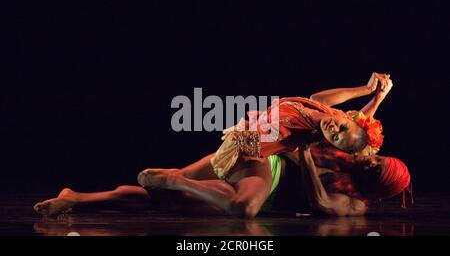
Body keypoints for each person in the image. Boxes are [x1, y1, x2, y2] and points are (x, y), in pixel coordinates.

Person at [34, 73, 407, 218]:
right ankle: (177, 181)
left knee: (162, 196)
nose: (370, 162)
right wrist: (372, 93)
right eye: (377, 159)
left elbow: (322, 202)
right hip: (263, 161)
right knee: (243, 207)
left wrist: (304, 152)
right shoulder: (347, 139)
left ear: (375, 187)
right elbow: (349, 124)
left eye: (374, 170)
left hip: (268, 164)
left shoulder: (353, 202)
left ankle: (77, 198)